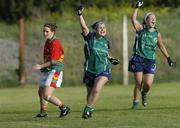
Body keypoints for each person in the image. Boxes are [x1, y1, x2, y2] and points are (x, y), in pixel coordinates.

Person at [129, 1, 175, 109]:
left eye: (155, 18)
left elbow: (161, 46)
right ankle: (135, 103)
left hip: (150, 61)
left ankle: (144, 94)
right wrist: (137, 7)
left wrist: (168, 58)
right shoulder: (140, 29)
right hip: (138, 59)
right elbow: (133, 20)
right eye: (151, 17)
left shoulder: (156, 33)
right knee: (139, 83)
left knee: (148, 84)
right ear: (146, 20)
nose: (154, 19)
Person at [77, 6, 120, 119]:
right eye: (100, 27)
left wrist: (111, 59)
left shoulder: (106, 41)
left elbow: (105, 53)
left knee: (97, 89)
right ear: (95, 30)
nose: (102, 29)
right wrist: (80, 15)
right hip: (90, 70)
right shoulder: (90, 37)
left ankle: (88, 110)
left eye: (104, 27)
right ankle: (89, 108)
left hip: (103, 69)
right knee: (90, 93)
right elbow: (84, 27)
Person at [32, 23, 70, 117]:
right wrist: (43, 66)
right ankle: (43, 112)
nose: (44, 33)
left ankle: (64, 108)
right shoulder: (48, 41)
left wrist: (41, 66)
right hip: (48, 70)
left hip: (55, 71)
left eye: (47, 31)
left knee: (46, 95)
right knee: (41, 91)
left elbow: (54, 61)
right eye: (43, 31)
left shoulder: (55, 43)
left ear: (52, 32)